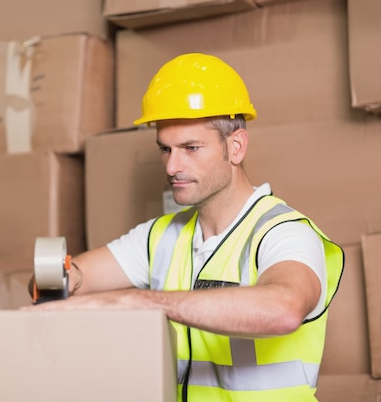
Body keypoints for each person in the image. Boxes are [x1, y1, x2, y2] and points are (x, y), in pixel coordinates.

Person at [24, 52, 344, 402]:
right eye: (166, 149)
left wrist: (143, 302)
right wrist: (58, 278)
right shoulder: (159, 237)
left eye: (191, 148)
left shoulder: (284, 232)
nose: (173, 166)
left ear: (235, 146)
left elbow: (283, 309)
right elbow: (72, 278)